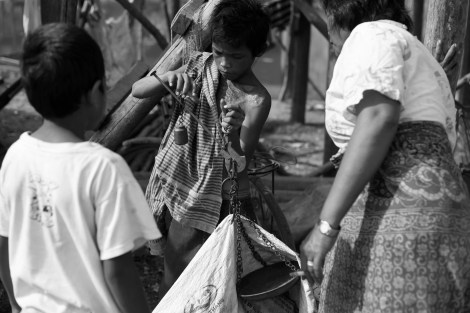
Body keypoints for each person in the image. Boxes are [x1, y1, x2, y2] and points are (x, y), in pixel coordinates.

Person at [300, 0, 470, 312]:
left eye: (330, 32)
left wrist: (326, 227)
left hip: (400, 224)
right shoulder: (417, 56)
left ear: (341, 15)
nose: (333, 44)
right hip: (438, 217)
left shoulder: (369, 36)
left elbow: (379, 116)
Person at [0, 23, 161, 313]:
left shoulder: (16, 157)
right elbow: (117, 270)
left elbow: (3, 241)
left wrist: (14, 304)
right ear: (95, 91)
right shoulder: (103, 168)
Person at [132, 0, 271, 298]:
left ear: (258, 52)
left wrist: (232, 133)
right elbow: (137, 90)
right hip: (186, 192)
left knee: (222, 285)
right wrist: (166, 78)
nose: (224, 64)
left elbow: (238, 163)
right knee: (176, 278)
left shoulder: (255, 100)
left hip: (222, 201)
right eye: (219, 53)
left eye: (235, 57)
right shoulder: (198, 65)